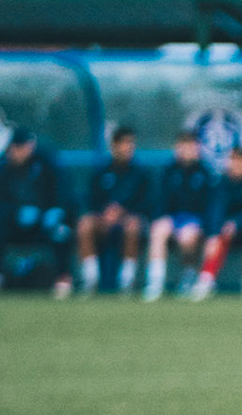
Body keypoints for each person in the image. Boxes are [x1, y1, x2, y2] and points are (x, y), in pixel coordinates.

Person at [191, 144, 242, 301]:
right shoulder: (222, 182)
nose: (236, 164)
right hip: (228, 232)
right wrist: (213, 234)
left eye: (241, 160)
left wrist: (238, 222)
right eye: (233, 160)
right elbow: (216, 210)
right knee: (219, 234)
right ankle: (206, 278)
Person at [76, 126, 151, 296]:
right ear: (114, 145)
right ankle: (90, 279)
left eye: (131, 143)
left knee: (133, 225)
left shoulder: (141, 173)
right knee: (85, 224)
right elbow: (91, 199)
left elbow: (146, 202)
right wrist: (105, 212)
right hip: (103, 221)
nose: (128, 147)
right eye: (124, 143)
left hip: (128, 220)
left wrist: (123, 212)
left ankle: (127, 281)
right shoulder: (101, 171)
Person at [144, 131, 218, 301]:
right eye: (183, 145)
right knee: (158, 229)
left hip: (195, 221)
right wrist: (161, 218)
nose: (187, 150)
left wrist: (211, 231)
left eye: (191, 146)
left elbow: (212, 206)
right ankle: (155, 282)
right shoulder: (167, 171)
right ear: (177, 148)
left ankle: (188, 276)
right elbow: (158, 201)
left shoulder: (206, 173)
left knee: (187, 236)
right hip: (172, 218)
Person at [0, 129, 72, 294]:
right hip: (13, 225)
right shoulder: (4, 168)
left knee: (61, 232)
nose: (17, 153)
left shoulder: (47, 164)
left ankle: (63, 278)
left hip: (44, 223)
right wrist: (15, 212)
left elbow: (63, 193)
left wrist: (55, 211)